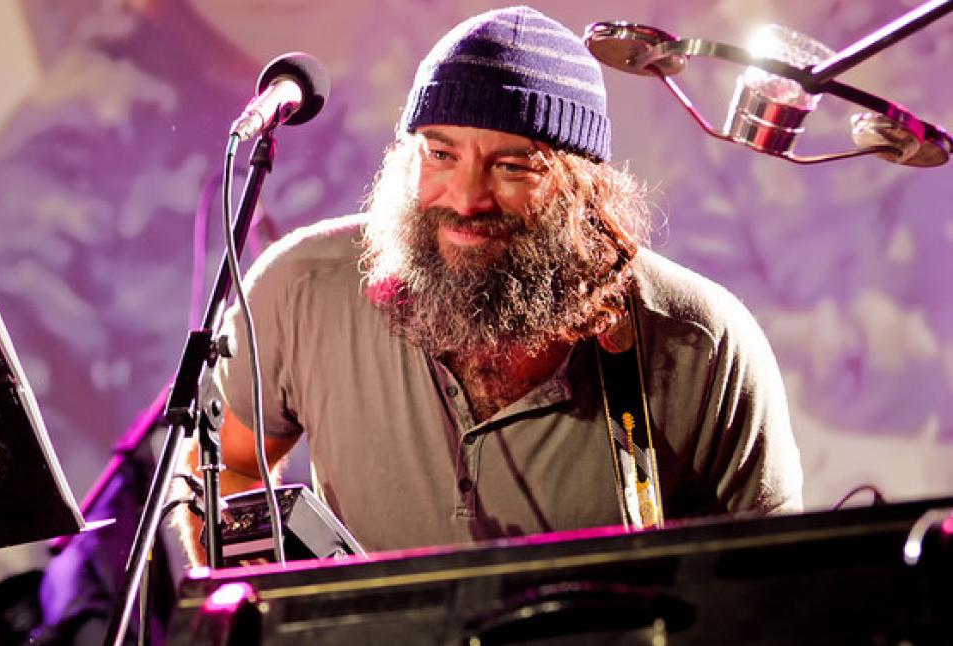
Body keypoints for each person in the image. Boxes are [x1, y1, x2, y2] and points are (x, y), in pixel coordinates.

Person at [178, 5, 802, 562]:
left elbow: (775, 587)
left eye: (512, 166)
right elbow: (226, 472)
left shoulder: (700, 343)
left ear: (581, 187)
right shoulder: (303, 288)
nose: (467, 198)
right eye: (440, 155)